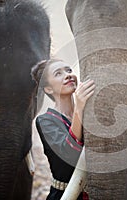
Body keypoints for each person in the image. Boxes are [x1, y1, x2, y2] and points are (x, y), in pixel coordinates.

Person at [31, 59, 95, 200]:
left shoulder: (89, 112)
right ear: (48, 89)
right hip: (65, 195)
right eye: (58, 73)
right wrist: (78, 108)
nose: (67, 75)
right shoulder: (45, 121)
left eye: (69, 70)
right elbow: (68, 154)